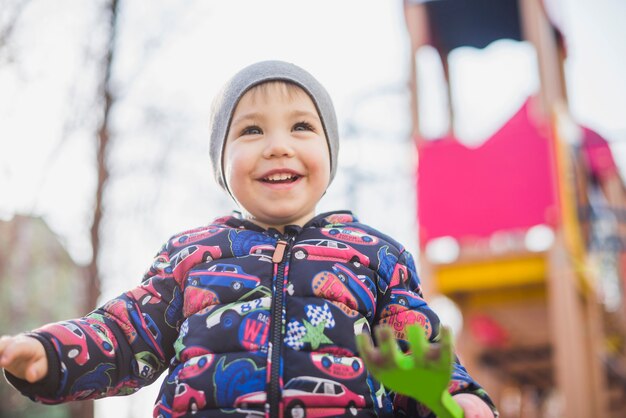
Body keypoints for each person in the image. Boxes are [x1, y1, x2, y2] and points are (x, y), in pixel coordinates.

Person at [0, 60, 498, 417]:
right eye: (251, 131)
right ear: (222, 164)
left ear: (329, 155)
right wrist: (49, 353)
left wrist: (455, 395)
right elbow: (126, 334)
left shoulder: (374, 255)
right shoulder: (193, 256)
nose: (277, 146)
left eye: (302, 127)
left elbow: (416, 347)